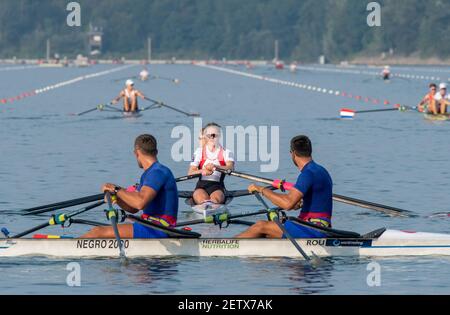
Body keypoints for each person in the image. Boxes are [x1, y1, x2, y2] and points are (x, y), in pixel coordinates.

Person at [81, 134, 178, 239]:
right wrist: (118, 198)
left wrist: (116, 189)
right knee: (99, 231)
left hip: (158, 229)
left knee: (97, 232)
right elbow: (133, 208)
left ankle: (65, 250)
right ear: (156, 152)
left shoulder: (157, 172)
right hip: (151, 226)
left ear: (136, 153)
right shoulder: (152, 173)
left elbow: (139, 203)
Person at [236, 135, 333, 239]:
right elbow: (310, 202)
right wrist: (299, 203)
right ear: (310, 151)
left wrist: (262, 189)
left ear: (293, 154)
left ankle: (224, 247)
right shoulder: (322, 171)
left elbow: (287, 204)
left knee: (261, 226)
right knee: (271, 232)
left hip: (312, 230)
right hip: (320, 227)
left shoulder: (307, 174)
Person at [188, 123, 235, 205]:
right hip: (201, 186)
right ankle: (205, 209)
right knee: (202, 200)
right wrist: (203, 171)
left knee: (215, 201)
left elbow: (230, 167)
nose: (212, 137)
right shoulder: (199, 152)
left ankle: (212, 208)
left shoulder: (226, 152)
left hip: (218, 187)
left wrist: (215, 166)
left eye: (214, 135)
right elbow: (190, 172)